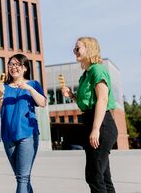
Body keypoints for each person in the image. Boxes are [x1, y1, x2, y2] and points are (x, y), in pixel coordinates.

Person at [61, 37, 118, 193]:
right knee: (103, 176)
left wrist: (96, 129)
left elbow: (103, 99)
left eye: (77, 48)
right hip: (91, 122)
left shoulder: (97, 70)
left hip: (101, 124)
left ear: (90, 49)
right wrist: (72, 96)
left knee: (93, 175)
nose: (74, 51)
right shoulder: (85, 75)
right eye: (74, 49)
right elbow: (86, 103)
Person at [0, 54, 47, 193]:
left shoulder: (33, 84)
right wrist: (0, 95)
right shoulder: (3, 87)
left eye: (17, 64)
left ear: (24, 68)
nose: (13, 67)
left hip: (27, 134)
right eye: (11, 64)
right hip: (7, 136)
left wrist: (28, 88)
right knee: (22, 178)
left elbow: (42, 103)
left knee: (22, 178)